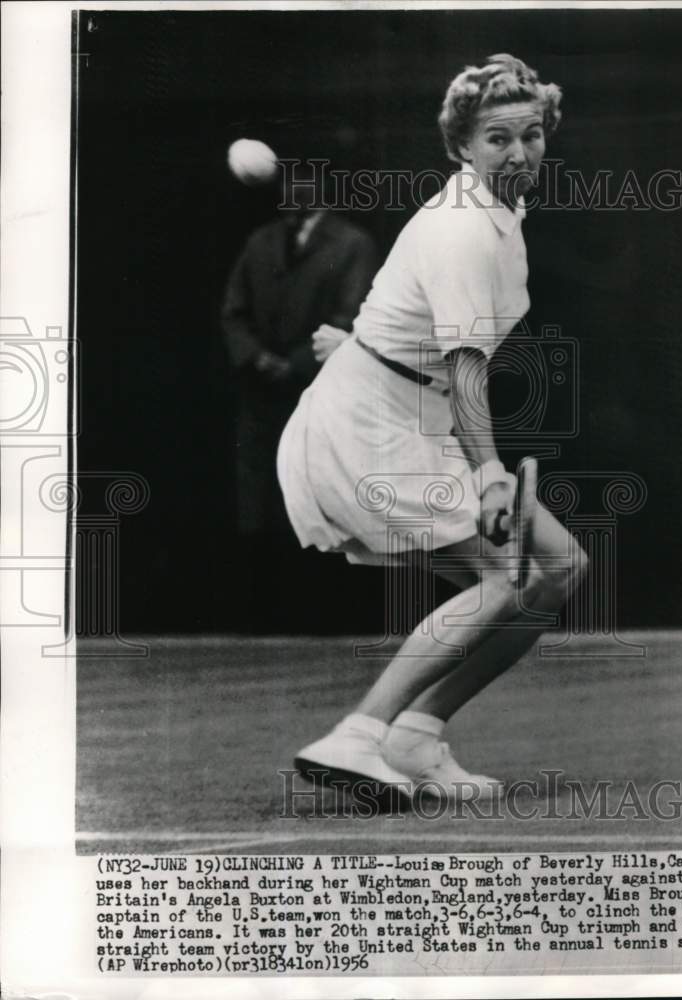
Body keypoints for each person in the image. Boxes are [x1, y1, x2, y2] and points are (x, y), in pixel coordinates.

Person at [277, 54, 588, 804]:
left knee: (564, 567)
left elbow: (416, 324)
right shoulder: (464, 230)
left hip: (408, 409)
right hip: (372, 429)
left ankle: (418, 734)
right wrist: (488, 476)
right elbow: (467, 364)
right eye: (496, 139)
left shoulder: (498, 211)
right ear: (461, 147)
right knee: (505, 576)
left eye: (533, 135)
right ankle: (360, 735)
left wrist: (358, 346)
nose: (519, 154)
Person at [221, 163, 378, 539]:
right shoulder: (261, 241)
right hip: (260, 395)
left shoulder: (352, 244)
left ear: (324, 186)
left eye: (305, 179)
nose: (294, 188)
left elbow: (352, 315)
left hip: (317, 392)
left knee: (316, 500)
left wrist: (295, 364)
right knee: (258, 502)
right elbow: (233, 311)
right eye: (289, 180)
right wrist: (257, 357)